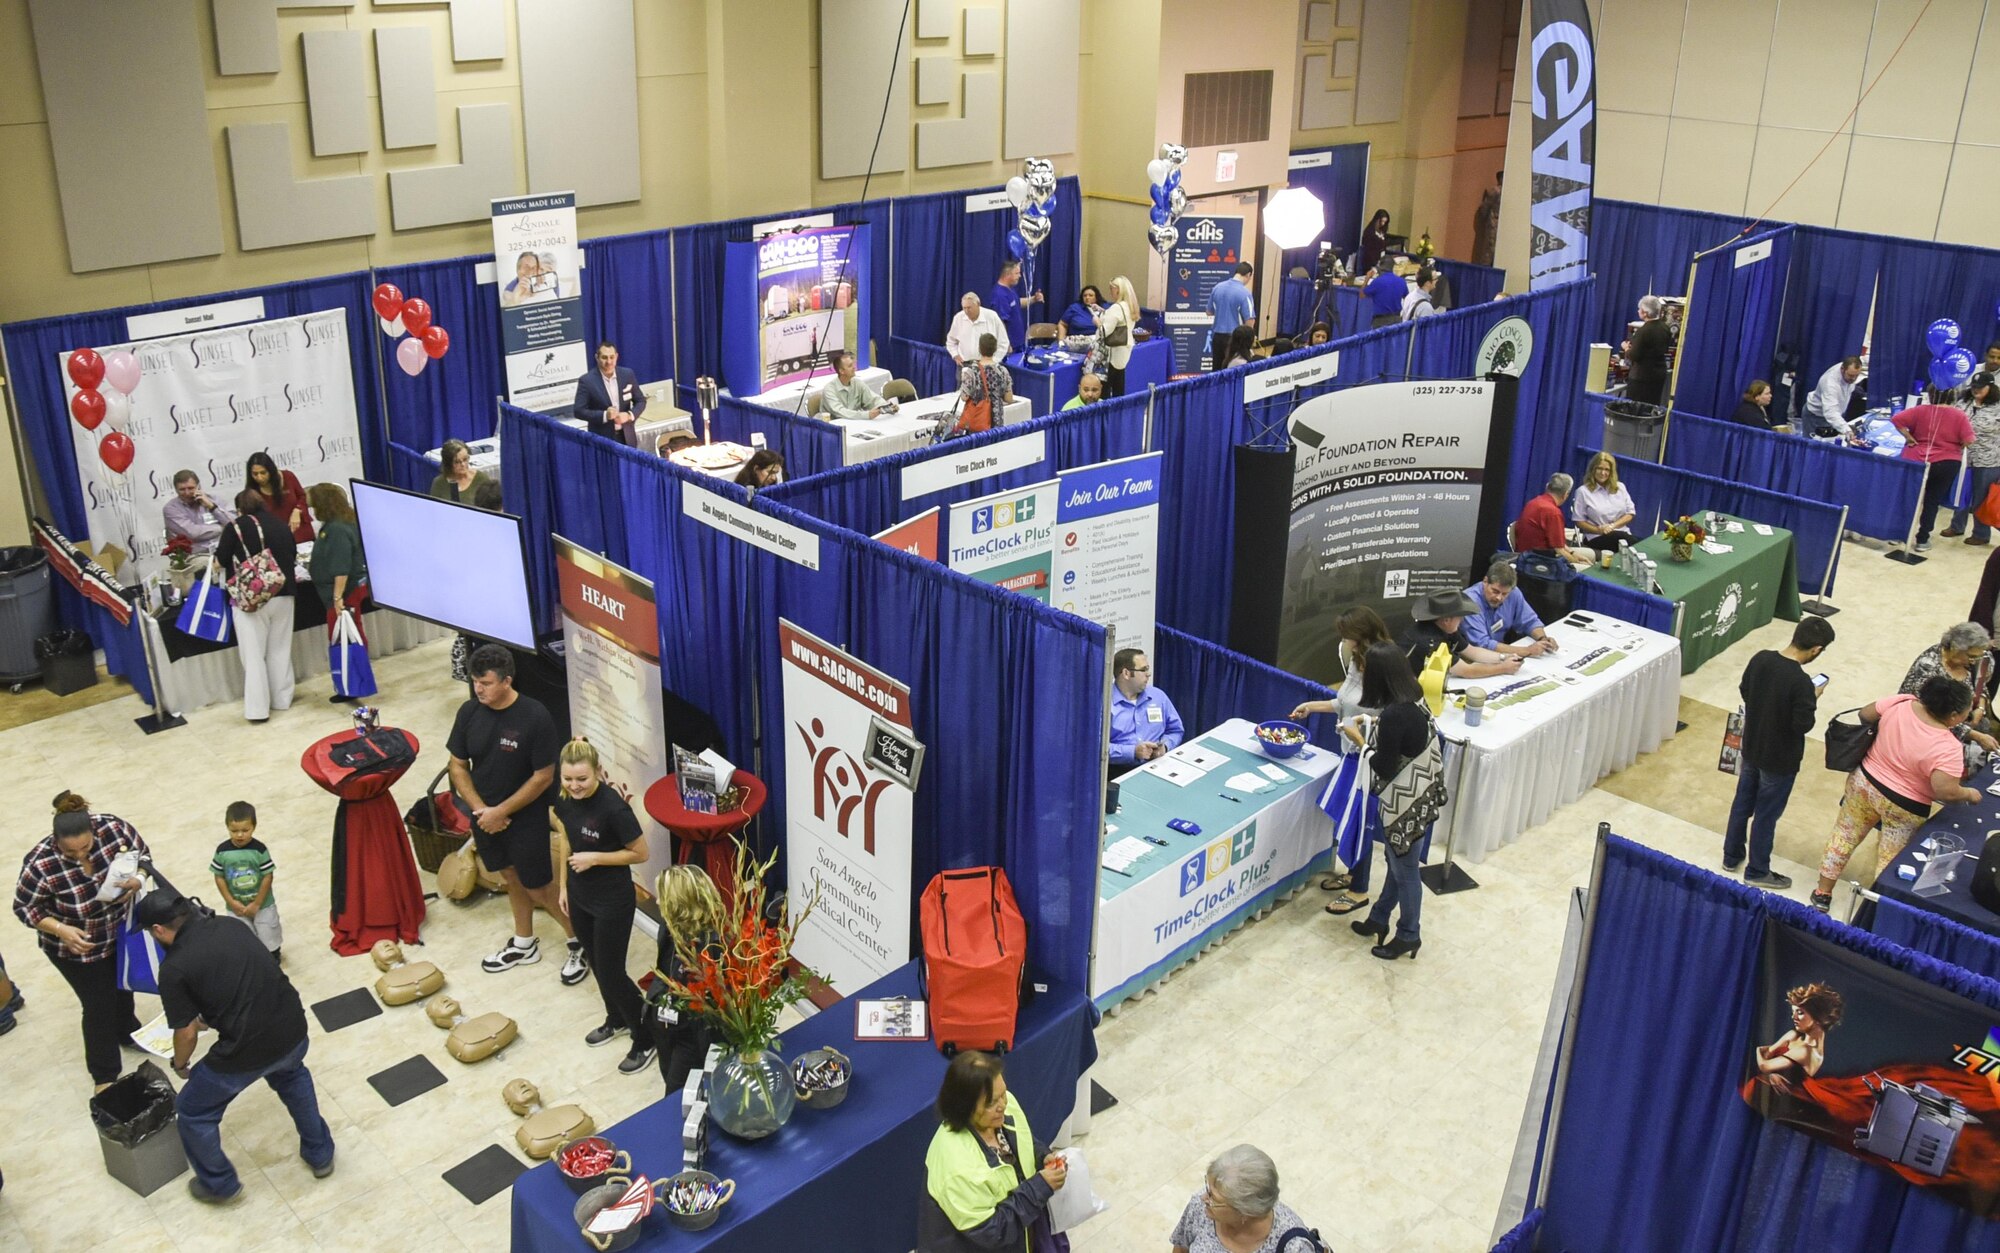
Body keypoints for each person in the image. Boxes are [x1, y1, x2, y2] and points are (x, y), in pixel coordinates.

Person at [136, 891, 334, 1204]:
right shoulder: (231, 925)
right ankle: (321, 1154)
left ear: (158, 930)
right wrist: (210, 1015)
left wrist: (180, 1064)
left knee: (193, 1111)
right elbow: (244, 975)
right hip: (292, 1027)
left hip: (246, 1048)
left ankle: (219, 1185)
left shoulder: (174, 969)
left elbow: (185, 1034)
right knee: (292, 1075)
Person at [448, 644, 584, 982]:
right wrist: (482, 810)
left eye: (486, 683)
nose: (479, 688)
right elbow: (457, 766)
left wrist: (502, 812)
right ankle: (524, 943)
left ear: (507, 680)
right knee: (509, 876)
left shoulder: (534, 716)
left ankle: (579, 942)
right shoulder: (469, 712)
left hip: (525, 817)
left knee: (538, 886)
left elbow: (543, 777)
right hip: (485, 817)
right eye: (475, 681)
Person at [11, 793, 148, 1091]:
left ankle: (128, 1031)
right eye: (70, 851)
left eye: (85, 848)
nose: (79, 856)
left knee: (122, 985)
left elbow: (143, 856)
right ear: (55, 840)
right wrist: (61, 929)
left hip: (117, 931)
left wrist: (138, 878)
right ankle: (105, 1075)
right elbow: (24, 908)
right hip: (74, 948)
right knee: (98, 1004)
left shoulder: (114, 829)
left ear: (94, 833)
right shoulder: (40, 864)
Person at [1811, 676, 1981, 913]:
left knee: (1844, 836)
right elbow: (1946, 791)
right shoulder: (1948, 747)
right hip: (1905, 806)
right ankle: (1873, 911)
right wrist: (1969, 793)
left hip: (1864, 783)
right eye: (1966, 712)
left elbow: (1865, 714)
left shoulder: (1902, 702)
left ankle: (1822, 893)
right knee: (1890, 859)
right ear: (1953, 716)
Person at [550, 739, 655, 1076]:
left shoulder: (613, 808)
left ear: (597, 772)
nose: (574, 786)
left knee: (612, 971)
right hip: (580, 895)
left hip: (612, 899)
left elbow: (641, 853)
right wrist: (564, 885)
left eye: (581, 779)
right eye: (568, 779)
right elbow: (566, 836)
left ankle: (646, 1036)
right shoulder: (566, 799)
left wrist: (596, 858)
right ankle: (617, 1018)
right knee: (595, 962)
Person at [1289, 607, 1394, 915]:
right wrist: (1312, 706)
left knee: (1359, 822)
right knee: (1346, 817)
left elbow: (1384, 717)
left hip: (1366, 758)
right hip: (1349, 752)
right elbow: (1344, 702)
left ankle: (1359, 890)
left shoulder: (1382, 666)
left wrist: (1360, 732)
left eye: (1350, 637)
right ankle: (1352, 874)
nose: (1346, 642)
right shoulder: (1355, 660)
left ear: (1364, 636)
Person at [1725, 616, 1836, 891]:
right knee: (1766, 815)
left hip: (1752, 747)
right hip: (1780, 760)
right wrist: (1814, 697)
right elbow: (1802, 724)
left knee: (1742, 804)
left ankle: (1731, 856)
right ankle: (1757, 869)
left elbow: (1745, 690)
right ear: (1816, 649)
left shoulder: (1761, 658)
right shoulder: (1801, 684)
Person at [919, 1050, 1066, 1253]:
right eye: (991, 1103)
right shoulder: (957, 1168)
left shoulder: (1004, 1106)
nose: (1003, 1105)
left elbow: (1024, 1141)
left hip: (1021, 1232)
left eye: (1003, 1094)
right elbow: (992, 1232)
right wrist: (1039, 1187)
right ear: (965, 1107)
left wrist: (1043, 1157)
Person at [1346, 642, 1434, 960]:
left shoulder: (1396, 712)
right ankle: (1380, 917)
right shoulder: (1414, 696)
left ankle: (1410, 933)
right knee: (1398, 864)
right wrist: (1370, 726)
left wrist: (1359, 741)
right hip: (1423, 794)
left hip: (1404, 803)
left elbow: (1383, 765)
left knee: (1406, 870)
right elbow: (1404, 738)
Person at [214, 489, 297, 723]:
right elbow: (291, 553)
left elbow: (220, 561)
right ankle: (282, 699)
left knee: (253, 656)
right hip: (284, 592)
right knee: (280, 649)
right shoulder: (281, 524)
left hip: (252, 599)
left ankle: (258, 710)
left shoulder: (235, 527)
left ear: (240, 509)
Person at [647, 865, 722, 1094]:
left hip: (695, 1037)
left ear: (679, 905)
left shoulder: (712, 947)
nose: (658, 903)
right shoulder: (668, 929)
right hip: (668, 1029)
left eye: (664, 898)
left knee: (677, 1094)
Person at [1170, 1144, 1311, 1253]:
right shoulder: (1201, 1208)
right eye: (1208, 1189)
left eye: (1214, 1198)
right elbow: (1181, 1248)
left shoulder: (1295, 1247)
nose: (1203, 1198)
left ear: (1246, 1211)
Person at [1898, 622, 1999, 750]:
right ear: (1955, 648)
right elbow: (1930, 715)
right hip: (1930, 732)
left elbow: (1981, 685)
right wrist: (1975, 735)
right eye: (1971, 656)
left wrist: (1980, 707)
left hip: (1967, 721)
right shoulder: (1928, 668)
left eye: (1978, 656)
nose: (1974, 661)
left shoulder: (1980, 657)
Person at [1893, 393, 1974, 551]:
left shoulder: (1920, 410)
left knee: (1908, 497)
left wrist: (1909, 437)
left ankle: (1898, 534)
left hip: (1916, 459)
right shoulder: (1959, 415)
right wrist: (1957, 446)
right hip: (1946, 462)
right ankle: (1922, 539)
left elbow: (1896, 419)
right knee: (1932, 501)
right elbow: (1969, 440)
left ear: (1930, 395)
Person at [210, 801, 282, 961]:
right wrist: (231, 901)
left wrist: (257, 903)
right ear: (227, 827)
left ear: (254, 827)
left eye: (245, 830)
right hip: (236, 906)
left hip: (263, 904)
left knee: (268, 932)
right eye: (234, 831)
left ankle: (273, 957)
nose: (240, 835)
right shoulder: (222, 851)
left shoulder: (260, 850)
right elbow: (219, 876)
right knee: (242, 935)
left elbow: (267, 876)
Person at [1401, 589, 1523, 681]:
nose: (1462, 620)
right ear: (1447, 620)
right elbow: (1467, 671)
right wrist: (1503, 668)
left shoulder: (1445, 628)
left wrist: (1503, 657)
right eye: (1460, 616)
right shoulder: (1429, 641)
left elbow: (1472, 651)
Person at [307, 481, 369, 649]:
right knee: (352, 628)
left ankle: (353, 668)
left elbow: (341, 565)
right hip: (349, 588)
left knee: (345, 633)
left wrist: (337, 598)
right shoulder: (344, 520)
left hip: (345, 591)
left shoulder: (337, 529)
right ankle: (358, 667)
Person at [1754, 983, 1844, 1092]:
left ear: (1817, 1017)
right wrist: (1771, 1073)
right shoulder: (1793, 1035)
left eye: (1800, 1013)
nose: (1794, 1017)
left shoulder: (1806, 1051)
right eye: (1793, 1012)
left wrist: (1758, 1049)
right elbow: (1768, 1053)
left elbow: (1764, 1065)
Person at [1945, 373, 2000, 545]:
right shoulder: (1963, 403)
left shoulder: (1998, 407)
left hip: (1989, 459)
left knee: (1981, 497)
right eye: (1974, 387)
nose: (1976, 390)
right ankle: (1956, 526)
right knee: (1961, 493)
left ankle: (1981, 534)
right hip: (1962, 458)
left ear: (1990, 388)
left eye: (1980, 387)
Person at [1108, 647, 1183, 772]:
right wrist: (1133, 752)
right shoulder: (1103, 704)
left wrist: (1165, 746)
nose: (1148, 674)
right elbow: (1095, 748)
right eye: (1143, 670)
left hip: (1160, 764)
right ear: (1126, 673)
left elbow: (1176, 730)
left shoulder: (1158, 696)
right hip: (1119, 770)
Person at [1461, 560, 1557, 656]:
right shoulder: (1470, 600)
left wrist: (1543, 639)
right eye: (1495, 591)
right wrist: (1527, 651)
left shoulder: (1514, 593)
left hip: (1500, 652)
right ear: (1485, 581)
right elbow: (1482, 644)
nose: (1499, 597)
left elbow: (1530, 621)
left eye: (1504, 594)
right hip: (1472, 657)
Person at [574, 341, 647, 447]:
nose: (609, 362)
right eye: (604, 357)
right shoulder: (586, 381)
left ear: (617, 356)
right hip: (601, 440)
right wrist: (604, 415)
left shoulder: (627, 374)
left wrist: (629, 415)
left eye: (612, 357)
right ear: (597, 357)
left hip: (627, 437)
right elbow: (578, 411)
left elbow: (640, 400)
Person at [1512, 472, 1590, 562]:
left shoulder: (1534, 502)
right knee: (1588, 565)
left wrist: (1573, 553)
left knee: (1588, 555)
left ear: (1547, 487)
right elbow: (1559, 551)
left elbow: (1558, 544)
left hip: (1525, 555)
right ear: (1565, 495)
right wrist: (1579, 563)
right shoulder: (1553, 513)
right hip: (1537, 561)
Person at [1571, 451, 1638, 554]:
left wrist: (1613, 526)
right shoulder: (1583, 492)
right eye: (1599, 468)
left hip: (1621, 533)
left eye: (1607, 470)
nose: (1603, 473)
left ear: (1612, 472)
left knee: (1634, 541)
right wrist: (1599, 530)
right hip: (1596, 536)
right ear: (1593, 469)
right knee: (1627, 543)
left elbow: (1630, 513)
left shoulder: (1620, 487)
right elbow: (1578, 521)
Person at [244, 450, 313, 544]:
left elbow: (302, 496)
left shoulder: (288, 476)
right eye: (255, 474)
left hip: (300, 531)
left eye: (263, 473)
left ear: (270, 470)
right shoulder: (252, 492)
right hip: (276, 539)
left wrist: (298, 509)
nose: (259, 477)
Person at [953, 333, 1015, 436]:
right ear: (995, 349)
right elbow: (1009, 398)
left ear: (979, 349)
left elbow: (964, 397)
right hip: (996, 423)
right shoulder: (1003, 371)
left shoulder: (970, 372)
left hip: (977, 423)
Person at [163, 470, 235, 557]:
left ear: (198, 486)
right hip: (196, 557)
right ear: (176, 490)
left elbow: (235, 523)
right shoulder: (171, 508)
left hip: (225, 549)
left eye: (191, 488)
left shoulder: (213, 499)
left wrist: (212, 507)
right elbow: (193, 533)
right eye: (182, 489)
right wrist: (223, 528)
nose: (187, 493)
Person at [1621, 296, 1674, 406]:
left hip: (1642, 378)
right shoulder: (1665, 328)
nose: (1638, 311)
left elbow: (1634, 355)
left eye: (1639, 309)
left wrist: (1626, 347)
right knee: (1651, 408)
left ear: (1645, 313)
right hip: (1658, 375)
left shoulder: (1644, 331)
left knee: (1636, 411)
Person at [1801, 356, 1865, 440]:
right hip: (1816, 418)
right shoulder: (1830, 384)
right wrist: (1847, 430)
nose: (1853, 379)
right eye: (1851, 375)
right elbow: (1830, 413)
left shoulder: (1848, 368)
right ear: (1842, 369)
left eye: (1856, 375)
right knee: (1813, 449)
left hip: (1834, 416)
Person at [1207, 261, 1255, 369]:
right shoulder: (1245, 293)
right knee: (1232, 371)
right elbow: (1250, 320)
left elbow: (1209, 312)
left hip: (1217, 337)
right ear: (1248, 275)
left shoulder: (1217, 288)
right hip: (1235, 339)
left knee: (1217, 370)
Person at [1097, 276, 1139, 397]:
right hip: (1124, 350)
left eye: (1111, 288)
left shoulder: (1116, 308)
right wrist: (1104, 312)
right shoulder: (1129, 306)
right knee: (1118, 386)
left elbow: (1104, 332)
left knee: (1106, 388)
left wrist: (1097, 322)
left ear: (1118, 290)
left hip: (1113, 353)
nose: (1110, 291)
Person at [988, 260, 1040, 354]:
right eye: (1017, 273)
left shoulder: (1009, 289)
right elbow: (1000, 322)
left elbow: (1017, 303)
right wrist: (1006, 345)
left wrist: (1034, 299)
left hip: (1018, 343)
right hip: (1011, 347)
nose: (1019, 276)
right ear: (1007, 274)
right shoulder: (999, 295)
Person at [821, 349, 889, 420]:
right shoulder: (829, 390)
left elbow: (873, 400)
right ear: (841, 371)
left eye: (853, 364)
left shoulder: (858, 383)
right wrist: (866, 415)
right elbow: (840, 412)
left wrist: (886, 407)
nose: (854, 367)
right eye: (850, 366)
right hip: (835, 427)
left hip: (855, 424)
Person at [948, 292, 1009, 366]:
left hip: (988, 366)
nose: (966, 311)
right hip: (964, 365)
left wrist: (994, 361)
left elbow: (1004, 342)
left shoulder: (992, 317)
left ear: (978, 305)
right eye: (964, 308)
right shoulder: (958, 318)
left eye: (969, 308)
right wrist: (955, 355)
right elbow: (951, 341)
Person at [429, 439, 492, 503]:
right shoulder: (439, 483)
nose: (463, 464)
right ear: (448, 464)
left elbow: (492, 506)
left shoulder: (481, 479)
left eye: (465, 459)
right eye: (457, 462)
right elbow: (434, 509)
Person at [1363, 263, 1407, 329]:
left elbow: (1362, 295)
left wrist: (1367, 278)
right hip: (1397, 319)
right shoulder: (1401, 281)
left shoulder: (1377, 281)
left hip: (1380, 321)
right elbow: (1407, 297)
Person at [1473, 170, 1502, 268]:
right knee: (1489, 251)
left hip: (1499, 225)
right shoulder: (1496, 191)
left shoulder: (1506, 191)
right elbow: (1485, 206)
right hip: (1494, 224)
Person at [1357, 208, 1392, 274]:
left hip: (1380, 260)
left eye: (1385, 222)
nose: (1383, 224)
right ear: (1377, 220)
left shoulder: (1382, 231)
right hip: (1370, 262)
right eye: (1381, 221)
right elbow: (1369, 250)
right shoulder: (1369, 232)